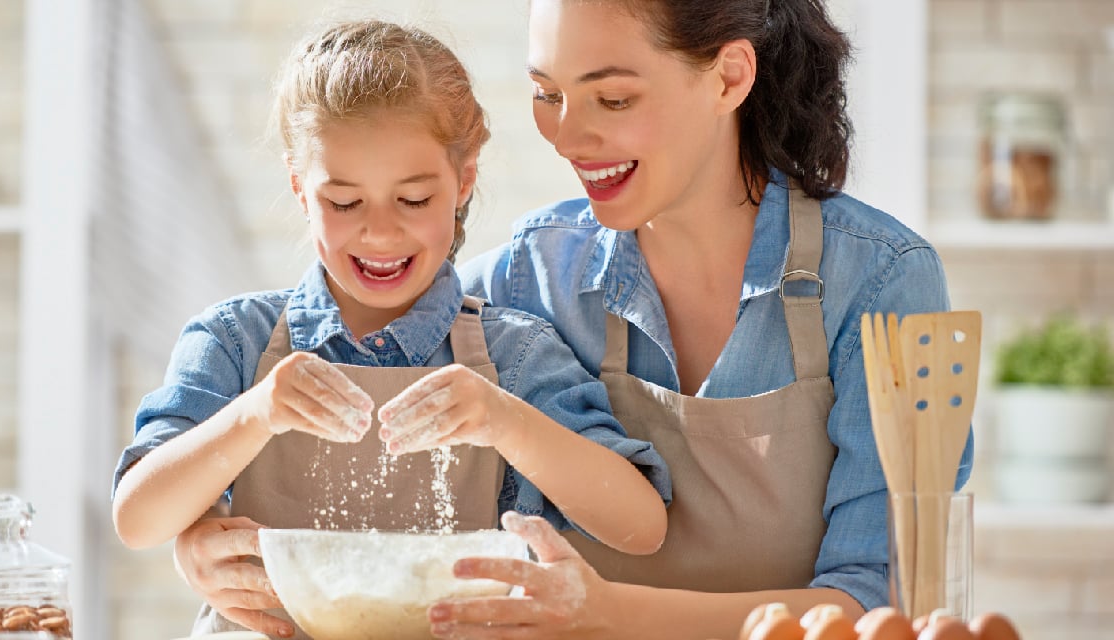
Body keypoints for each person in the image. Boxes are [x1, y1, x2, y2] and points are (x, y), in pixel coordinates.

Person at [421, 0, 974, 638]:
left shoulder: (881, 281)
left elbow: (883, 604)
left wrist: (607, 615)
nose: (568, 139)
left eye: (614, 99)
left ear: (729, 77)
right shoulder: (529, 275)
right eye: (547, 94)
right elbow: (353, 347)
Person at [110, 18, 671, 638]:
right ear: (301, 189)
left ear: (463, 184)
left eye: (413, 200)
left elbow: (640, 527)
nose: (379, 232)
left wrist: (503, 419)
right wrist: (255, 415)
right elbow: (138, 518)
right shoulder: (233, 341)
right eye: (344, 203)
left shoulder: (515, 355)